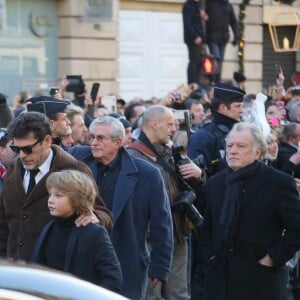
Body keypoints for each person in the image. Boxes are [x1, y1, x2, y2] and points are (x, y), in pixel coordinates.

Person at [69, 116, 173, 300]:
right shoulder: (79, 159)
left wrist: (160, 266)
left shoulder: (148, 174)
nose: (94, 143)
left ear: (118, 142)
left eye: (101, 138)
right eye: (92, 137)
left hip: (127, 259)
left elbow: (161, 222)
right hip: (84, 259)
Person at [201, 122, 300, 300]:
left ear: (258, 151)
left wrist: (272, 259)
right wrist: (210, 255)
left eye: (241, 146)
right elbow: (208, 225)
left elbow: (297, 228)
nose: (233, 151)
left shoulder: (279, 183)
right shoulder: (216, 182)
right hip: (220, 279)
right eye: (230, 145)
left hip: (261, 279)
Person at [0, 112, 112, 262]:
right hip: (16, 272)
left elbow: (103, 213)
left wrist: (94, 217)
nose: (21, 155)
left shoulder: (74, 170)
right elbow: (3, 223)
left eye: (27, 149)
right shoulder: (14, 171)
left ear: (46, 141)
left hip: (56, 275)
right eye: (16, 149)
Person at [127, 105, 204, 300]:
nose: (173, 129)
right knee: (151, 294)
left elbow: (193, 186)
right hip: (149, 237)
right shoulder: (132, 156)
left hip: (177, 233)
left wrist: (199, 174)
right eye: (170, 124)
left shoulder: (172, 152)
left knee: (179, 294)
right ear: (155, 124)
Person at [31, 170, 122, 293]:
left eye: (58, 195)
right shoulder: (49, 227)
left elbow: (113, 279)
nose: (50, 200)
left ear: (76, 199)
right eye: (50, 194)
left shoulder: (94, 233)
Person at [188, 82, 245, 176]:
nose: (242, 110)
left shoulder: (241, 131)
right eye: (238, 106)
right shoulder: (203, 137)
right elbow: (196, 178)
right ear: (223, 108)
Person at [204, 0, 240, 83]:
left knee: (220, 61)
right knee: (216, 60)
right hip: (212, 37)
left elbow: (233, 22)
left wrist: (236, 36)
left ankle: (217, 82)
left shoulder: (228, 6)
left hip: (223, 38)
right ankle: (213, 81)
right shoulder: (209, 3)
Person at [182, 0, 205, 85]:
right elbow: (187, 24)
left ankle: (196, 83)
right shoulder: (188, 6)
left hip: (199, 39)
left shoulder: (196, 6)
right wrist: (195, 36)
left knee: (198, 61)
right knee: (193, 61)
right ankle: (192, 83)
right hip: (193, 39)